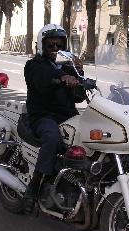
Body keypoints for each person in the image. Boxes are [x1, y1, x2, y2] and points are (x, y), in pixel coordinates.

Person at [23, 24, 86, 214]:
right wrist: (62, 77)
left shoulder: (69, 66)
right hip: (43, 116)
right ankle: (33, 188)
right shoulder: (34, 65)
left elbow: (79, 97)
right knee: (52, 138)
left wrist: (79, 74)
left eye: (59, 45)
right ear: (43, 46)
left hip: (67, 115)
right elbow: (42, 81)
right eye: (51, 45)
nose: (56, 49)